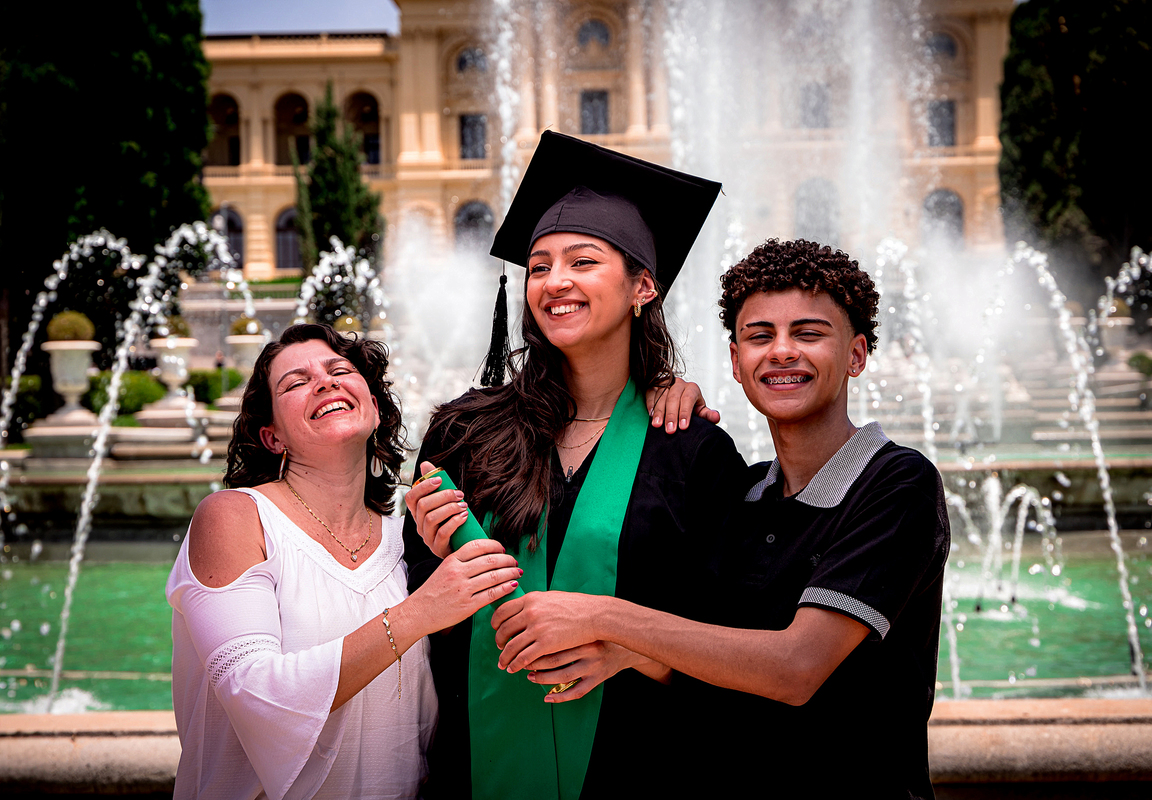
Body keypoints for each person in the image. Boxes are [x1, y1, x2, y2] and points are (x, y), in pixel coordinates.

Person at [493, 239, 951, 798]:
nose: (782, 352)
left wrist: (607, 620)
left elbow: (795, 668)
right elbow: (712, 654)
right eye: (760, 337)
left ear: (856, 355)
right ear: (736, 363)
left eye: (808, 333)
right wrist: (633, 653)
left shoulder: (897, 483)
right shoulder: (745, 494)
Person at [402, 131, 747, 799]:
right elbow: (420, 613)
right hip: (477, 768)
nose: (555, 282)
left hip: (639, 768)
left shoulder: (691, 452)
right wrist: (431, 549)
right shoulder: (464, 433)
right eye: (538, 266)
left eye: (582, 261)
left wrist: (630, 646)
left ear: (643, 286)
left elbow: (730, 640)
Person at [166, 323, 522, 800]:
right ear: (272, 437)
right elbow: (253, 692)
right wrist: (423, 610)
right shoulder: (236, 517)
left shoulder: (409, 538)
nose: (325, 382)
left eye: (340, 370)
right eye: (296, 382)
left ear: (375, 408)